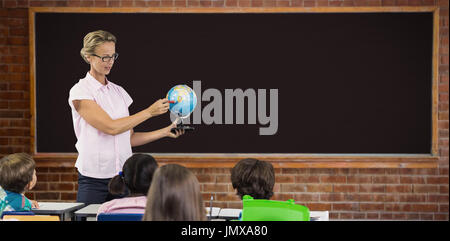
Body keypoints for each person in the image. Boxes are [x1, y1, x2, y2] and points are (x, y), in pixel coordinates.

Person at [69, 30, 184, 204]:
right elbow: (111, 127)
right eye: (104, 57)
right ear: (88, 57)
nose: (110, 62)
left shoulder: (119, 92)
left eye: (113, 56)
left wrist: (165, 132)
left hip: (123, 178)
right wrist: (149, 112)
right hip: (93, 179)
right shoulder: (80, 91)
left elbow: (128, 138)